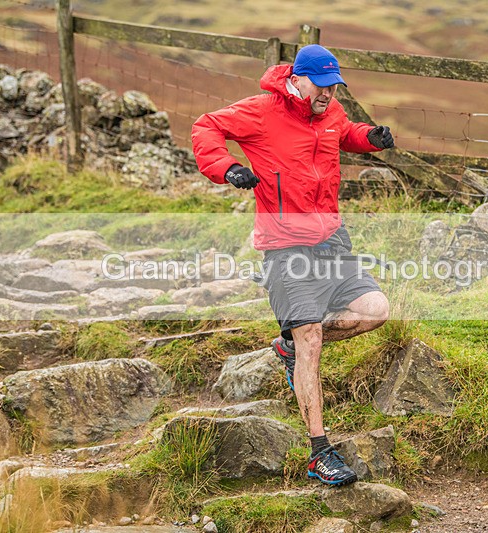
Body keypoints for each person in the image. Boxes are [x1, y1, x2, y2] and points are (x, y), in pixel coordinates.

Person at [191, 44, 395, 486]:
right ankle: (320, 452)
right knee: (311, 339)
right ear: (298, 78)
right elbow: (206, 126)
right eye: (321, 86)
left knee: (377, 311)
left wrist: (368, 138)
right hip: (286, 248)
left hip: (332, 240)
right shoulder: (262, 111)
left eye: (334, 86)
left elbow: (343, 132)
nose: (328, 93)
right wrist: (226, 168)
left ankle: (286, 345)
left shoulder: (330, 111)